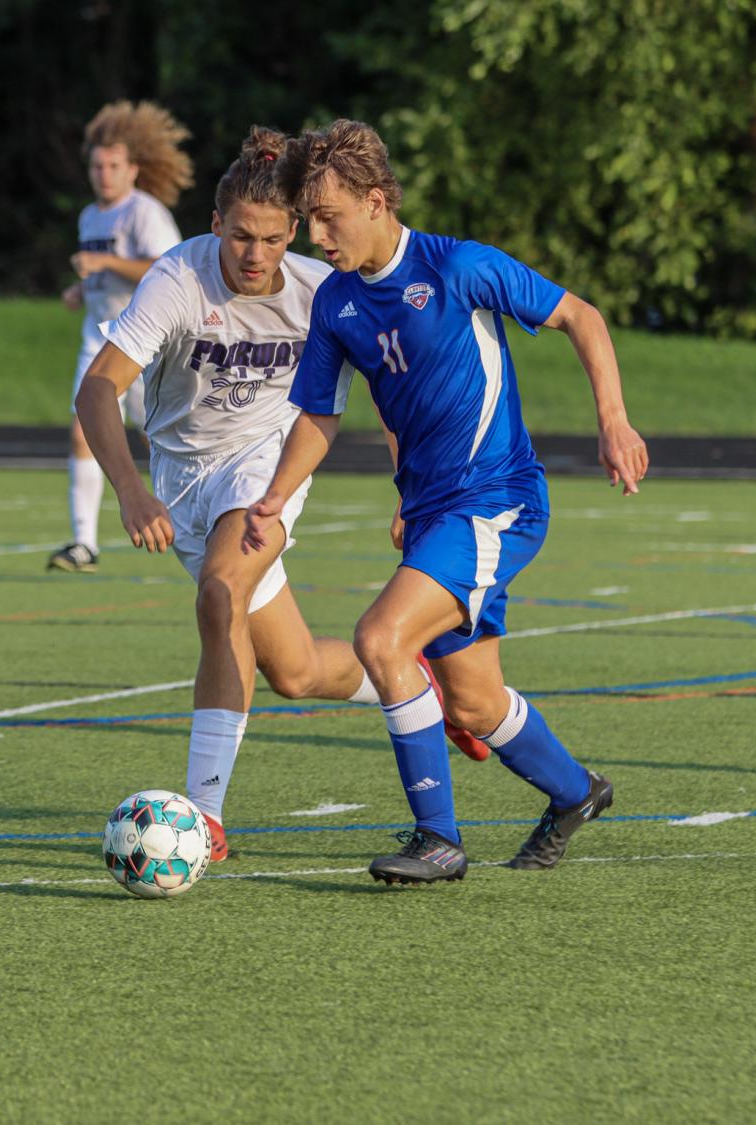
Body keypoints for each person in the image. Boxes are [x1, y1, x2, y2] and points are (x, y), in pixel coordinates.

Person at [245, 120, 650, 884]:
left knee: (380, 639)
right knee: (471, 702)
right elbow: (320, 416)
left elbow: (580, 317)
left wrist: (613, 421)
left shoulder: (457, 266)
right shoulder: (333, 304)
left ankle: (437, 837)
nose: (318, 237)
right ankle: (575, 792)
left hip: (495, 500)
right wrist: (274, 496)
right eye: (312, 222)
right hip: (434, 514)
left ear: (375, 201)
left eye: (329, 218)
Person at [76, 127, 485, 864]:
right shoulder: (177, 278)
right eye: (239, 237)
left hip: (264, 470)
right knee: (293, 672)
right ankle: (416, 685)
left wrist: (407, 489)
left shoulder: (319, 291)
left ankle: (204, 818)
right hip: (179, 480)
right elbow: (97, 388)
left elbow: (387, 388)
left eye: (269, 238)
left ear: (292, 231)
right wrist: (132, 491)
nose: (253, 255)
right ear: (214, 227)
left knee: (219, 592)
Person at [49, 101, 192, 574]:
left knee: (160, 440)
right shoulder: (90, 216)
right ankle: (83, 543)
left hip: (145, 345)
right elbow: (102, 277)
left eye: (113, 166)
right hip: (99, 339)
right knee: (83, 432)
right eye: (96, 166)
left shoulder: (145, 212)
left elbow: (169, 272)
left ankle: (189, 520)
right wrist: (80, 288)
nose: (104, 175)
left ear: (133, 169)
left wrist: (105, 265)